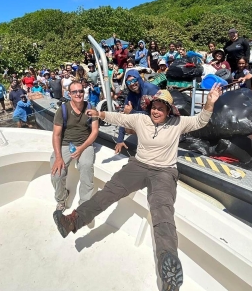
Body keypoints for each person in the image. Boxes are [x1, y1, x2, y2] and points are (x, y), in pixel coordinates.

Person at [53, 85, 223, 291]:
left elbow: (200, 121)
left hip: (164, 171)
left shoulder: (178, 123)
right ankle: (73, 221)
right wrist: (100, 113)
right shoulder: (141, 119)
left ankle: (168, 268)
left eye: (161, 108)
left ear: (169, 111)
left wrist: (210, 102)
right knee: (109, 192)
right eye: (154, 106)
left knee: (162, 211)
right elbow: (120, 119)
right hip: (138, 165)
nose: (156, 111)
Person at [50, 81, 99, 211]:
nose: (78, 94)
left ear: (84, 92)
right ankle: (61, 199)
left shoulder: (91, 108)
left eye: (81, 91)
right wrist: (59, 158)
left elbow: (94, 132)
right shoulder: (63, 110)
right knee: (57, 174)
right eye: (75, 92)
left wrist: (81, 148)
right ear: (69, 94)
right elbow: (56, 135)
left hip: (85, 143)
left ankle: (84, 204)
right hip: (66, 143)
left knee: (86, 167)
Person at [114, 69, 159, 154]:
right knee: (127, 125)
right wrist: (120, 140)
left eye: (134, 80)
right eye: (128, 82)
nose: (132, 84)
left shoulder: (151, 90)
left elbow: (156, 115)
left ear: (138, 79)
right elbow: (124, 117)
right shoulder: (130, 96)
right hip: (143, 120)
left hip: (158, 122)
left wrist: (132, 112)